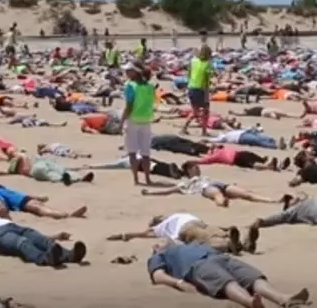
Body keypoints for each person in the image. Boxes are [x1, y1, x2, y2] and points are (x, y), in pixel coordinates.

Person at [147, 242, 311, 308]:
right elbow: (157, 275)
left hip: (222, 258)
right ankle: (249, 302)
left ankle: (283, 299)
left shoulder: (190, 244)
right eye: (157, 243)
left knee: (253, 277)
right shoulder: (159, 256)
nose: (161, 241)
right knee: (225, 282)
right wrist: (177, 283)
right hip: (198, 266)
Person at [107, 212, 259, 254]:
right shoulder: (161, 227)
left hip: (201, 223)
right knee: (207, 238)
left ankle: (243, 245)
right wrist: (122, 235)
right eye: (156, 218)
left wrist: (225, 228)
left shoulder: (176, 214)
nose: (159, 216)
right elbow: (141, 233)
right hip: (186, 230)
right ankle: (229, 245)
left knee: (219, 232)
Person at [141, 162, 280, 207]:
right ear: (189, 170)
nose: (198, 168)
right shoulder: (185, 183)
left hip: (217, 183)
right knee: (217, 195)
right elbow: (169, 191)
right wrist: (150, 193)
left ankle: (273, 200)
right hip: (204, 188)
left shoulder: (204, 176)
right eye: (195, 167)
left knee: (247, 194)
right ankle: (222, 203)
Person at [123, 62, 155, 185]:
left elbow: (129, 106)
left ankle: (136, 178)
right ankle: (147, 178)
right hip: (146, 120)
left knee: (132, 152)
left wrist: (122, 121)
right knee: (145, 152)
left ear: (135, 72)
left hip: (133, 119)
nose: (126, 73)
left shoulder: (130, 86)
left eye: (128, 71)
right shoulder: (150, 87)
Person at [0, 154, 95, 186]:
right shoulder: (19, 159)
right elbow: (10, 171)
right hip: (38, 166)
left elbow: (8, 172)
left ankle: (72, 179)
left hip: (39, 165)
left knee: (55, 172)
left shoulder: (17, 162)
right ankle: (77, 178)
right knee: (58, 171)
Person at [182, 45, 213, 136]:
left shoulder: (193, 61)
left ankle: (184, 128)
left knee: (195, 111)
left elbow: (189, 73)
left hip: (191, 88)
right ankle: (204, 131)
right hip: (201, 89)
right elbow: (207, 79)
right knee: (206, 110)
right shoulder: (208, 64)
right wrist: (208, 91)